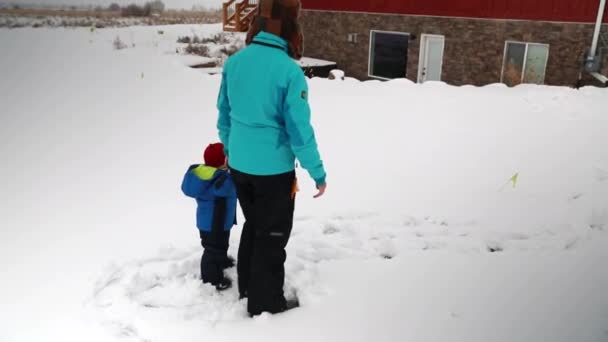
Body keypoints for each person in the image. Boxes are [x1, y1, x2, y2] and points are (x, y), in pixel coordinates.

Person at [216, 0, 327, 316]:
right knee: (272, 235)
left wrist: (230, 150)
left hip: (240, 167)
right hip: (273, 172)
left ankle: (249, 287)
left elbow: (224, 116)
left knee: (255, 224)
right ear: (292, 31)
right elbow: (298, 129)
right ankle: (265, 305)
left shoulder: (234, 63)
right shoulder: (289, 71)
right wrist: (316, 171)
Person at [181, 143, 238, 291]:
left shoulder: (208, 175)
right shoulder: (220, 180)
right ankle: (211, 279)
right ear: (222, 162)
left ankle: (222, 261)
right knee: (212, 250)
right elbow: (231, 186)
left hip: (213, 222)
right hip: (214, 224)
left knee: (220, 244)